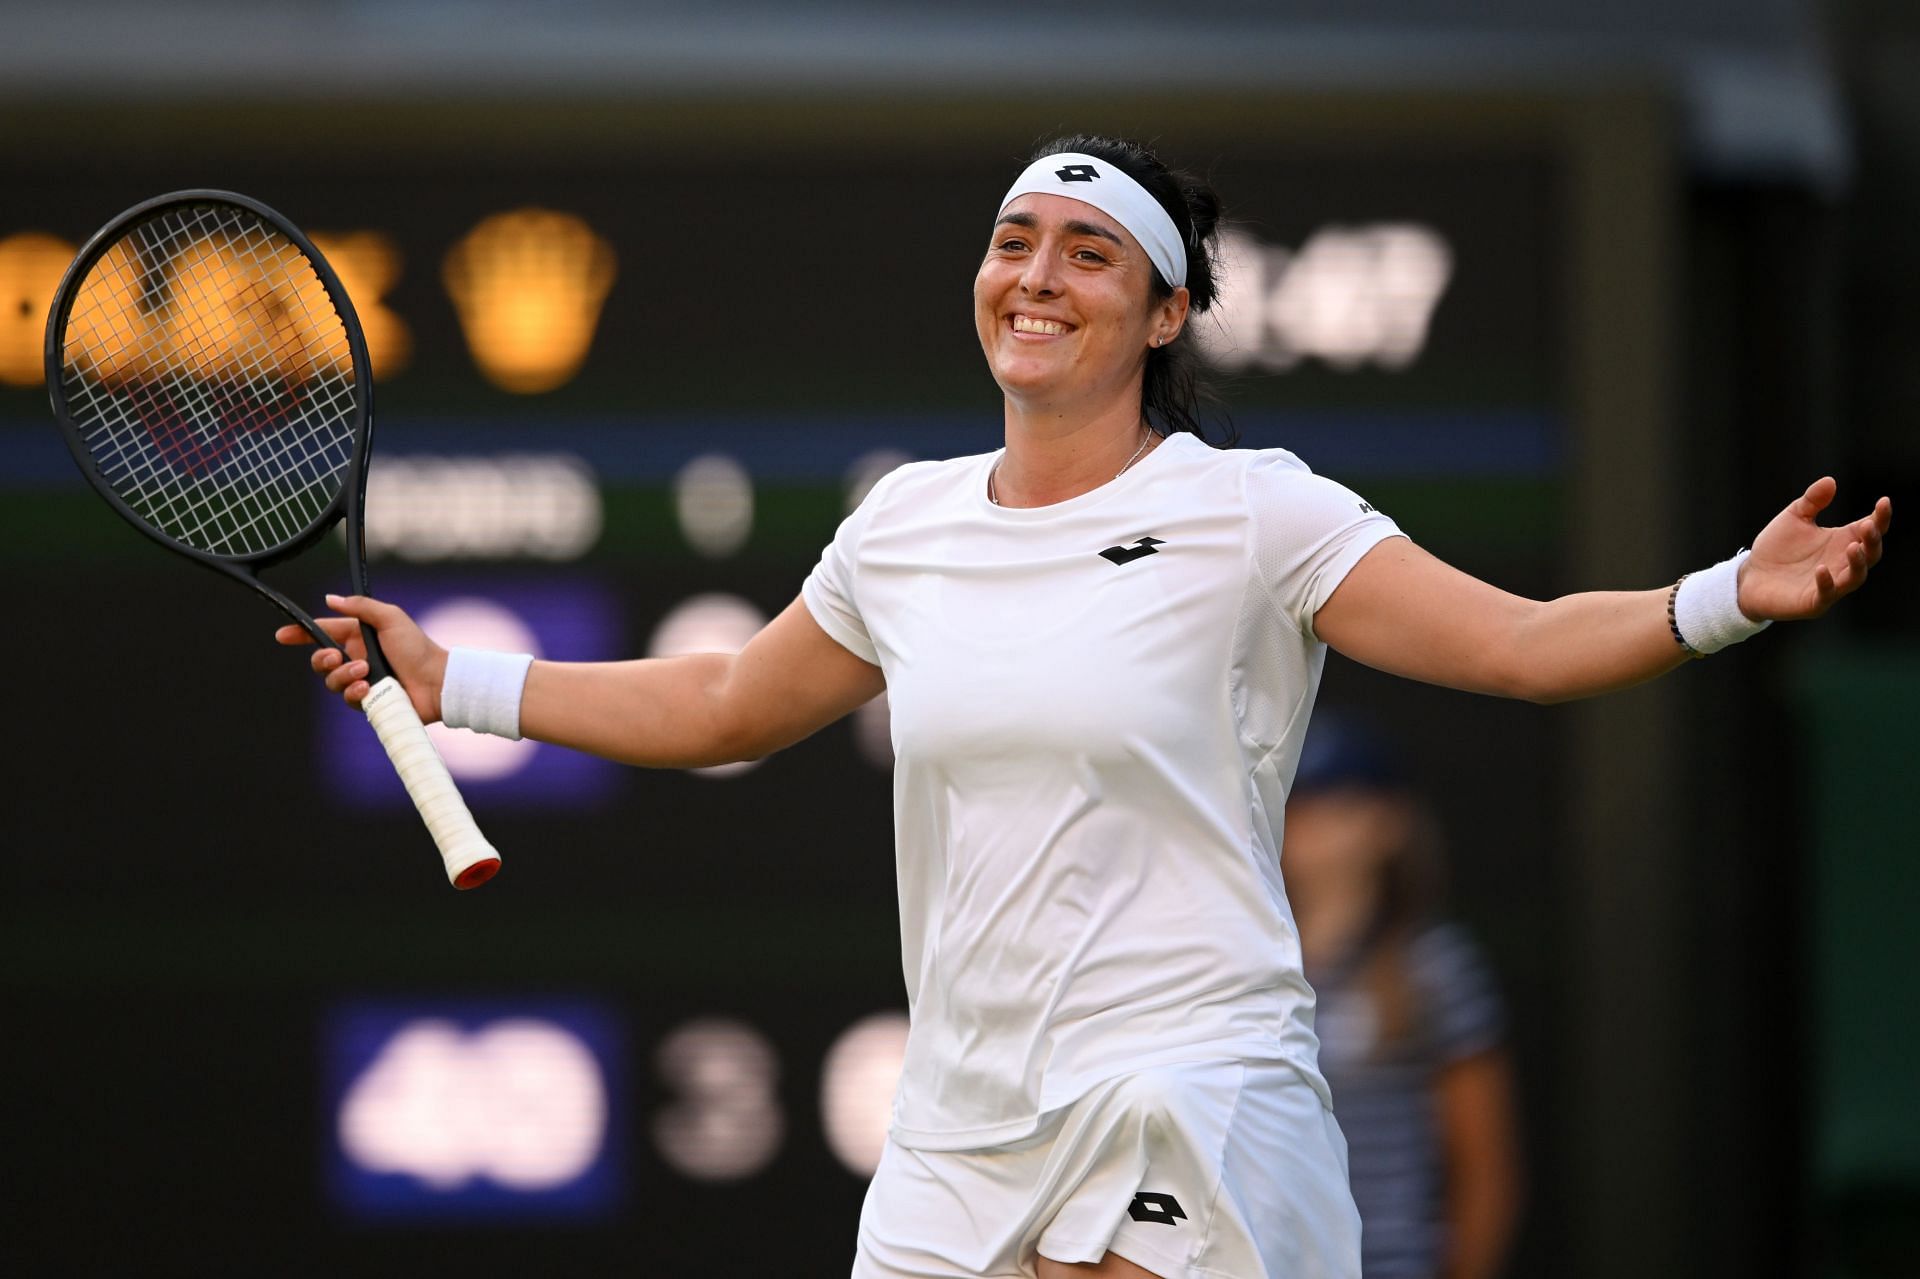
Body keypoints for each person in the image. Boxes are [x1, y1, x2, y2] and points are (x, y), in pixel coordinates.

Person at [282, 135, 1890, 1279]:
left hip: (1183, 1089)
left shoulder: (1254, 508)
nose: (1034, 275)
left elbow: (1526, 643)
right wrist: (454, 677)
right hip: (958, 1120)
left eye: (1088, 250)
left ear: (1167, 311)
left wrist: (1723, 596)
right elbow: (724, 701)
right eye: (1012, 241)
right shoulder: (903, 522)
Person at [1281, 715, 1522, 1279]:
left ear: (1390, 822)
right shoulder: (1243, 964)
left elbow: (1486, 1171)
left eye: (1336, 804)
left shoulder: (1432, 967)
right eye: (1296, 803)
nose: (1310, 826)